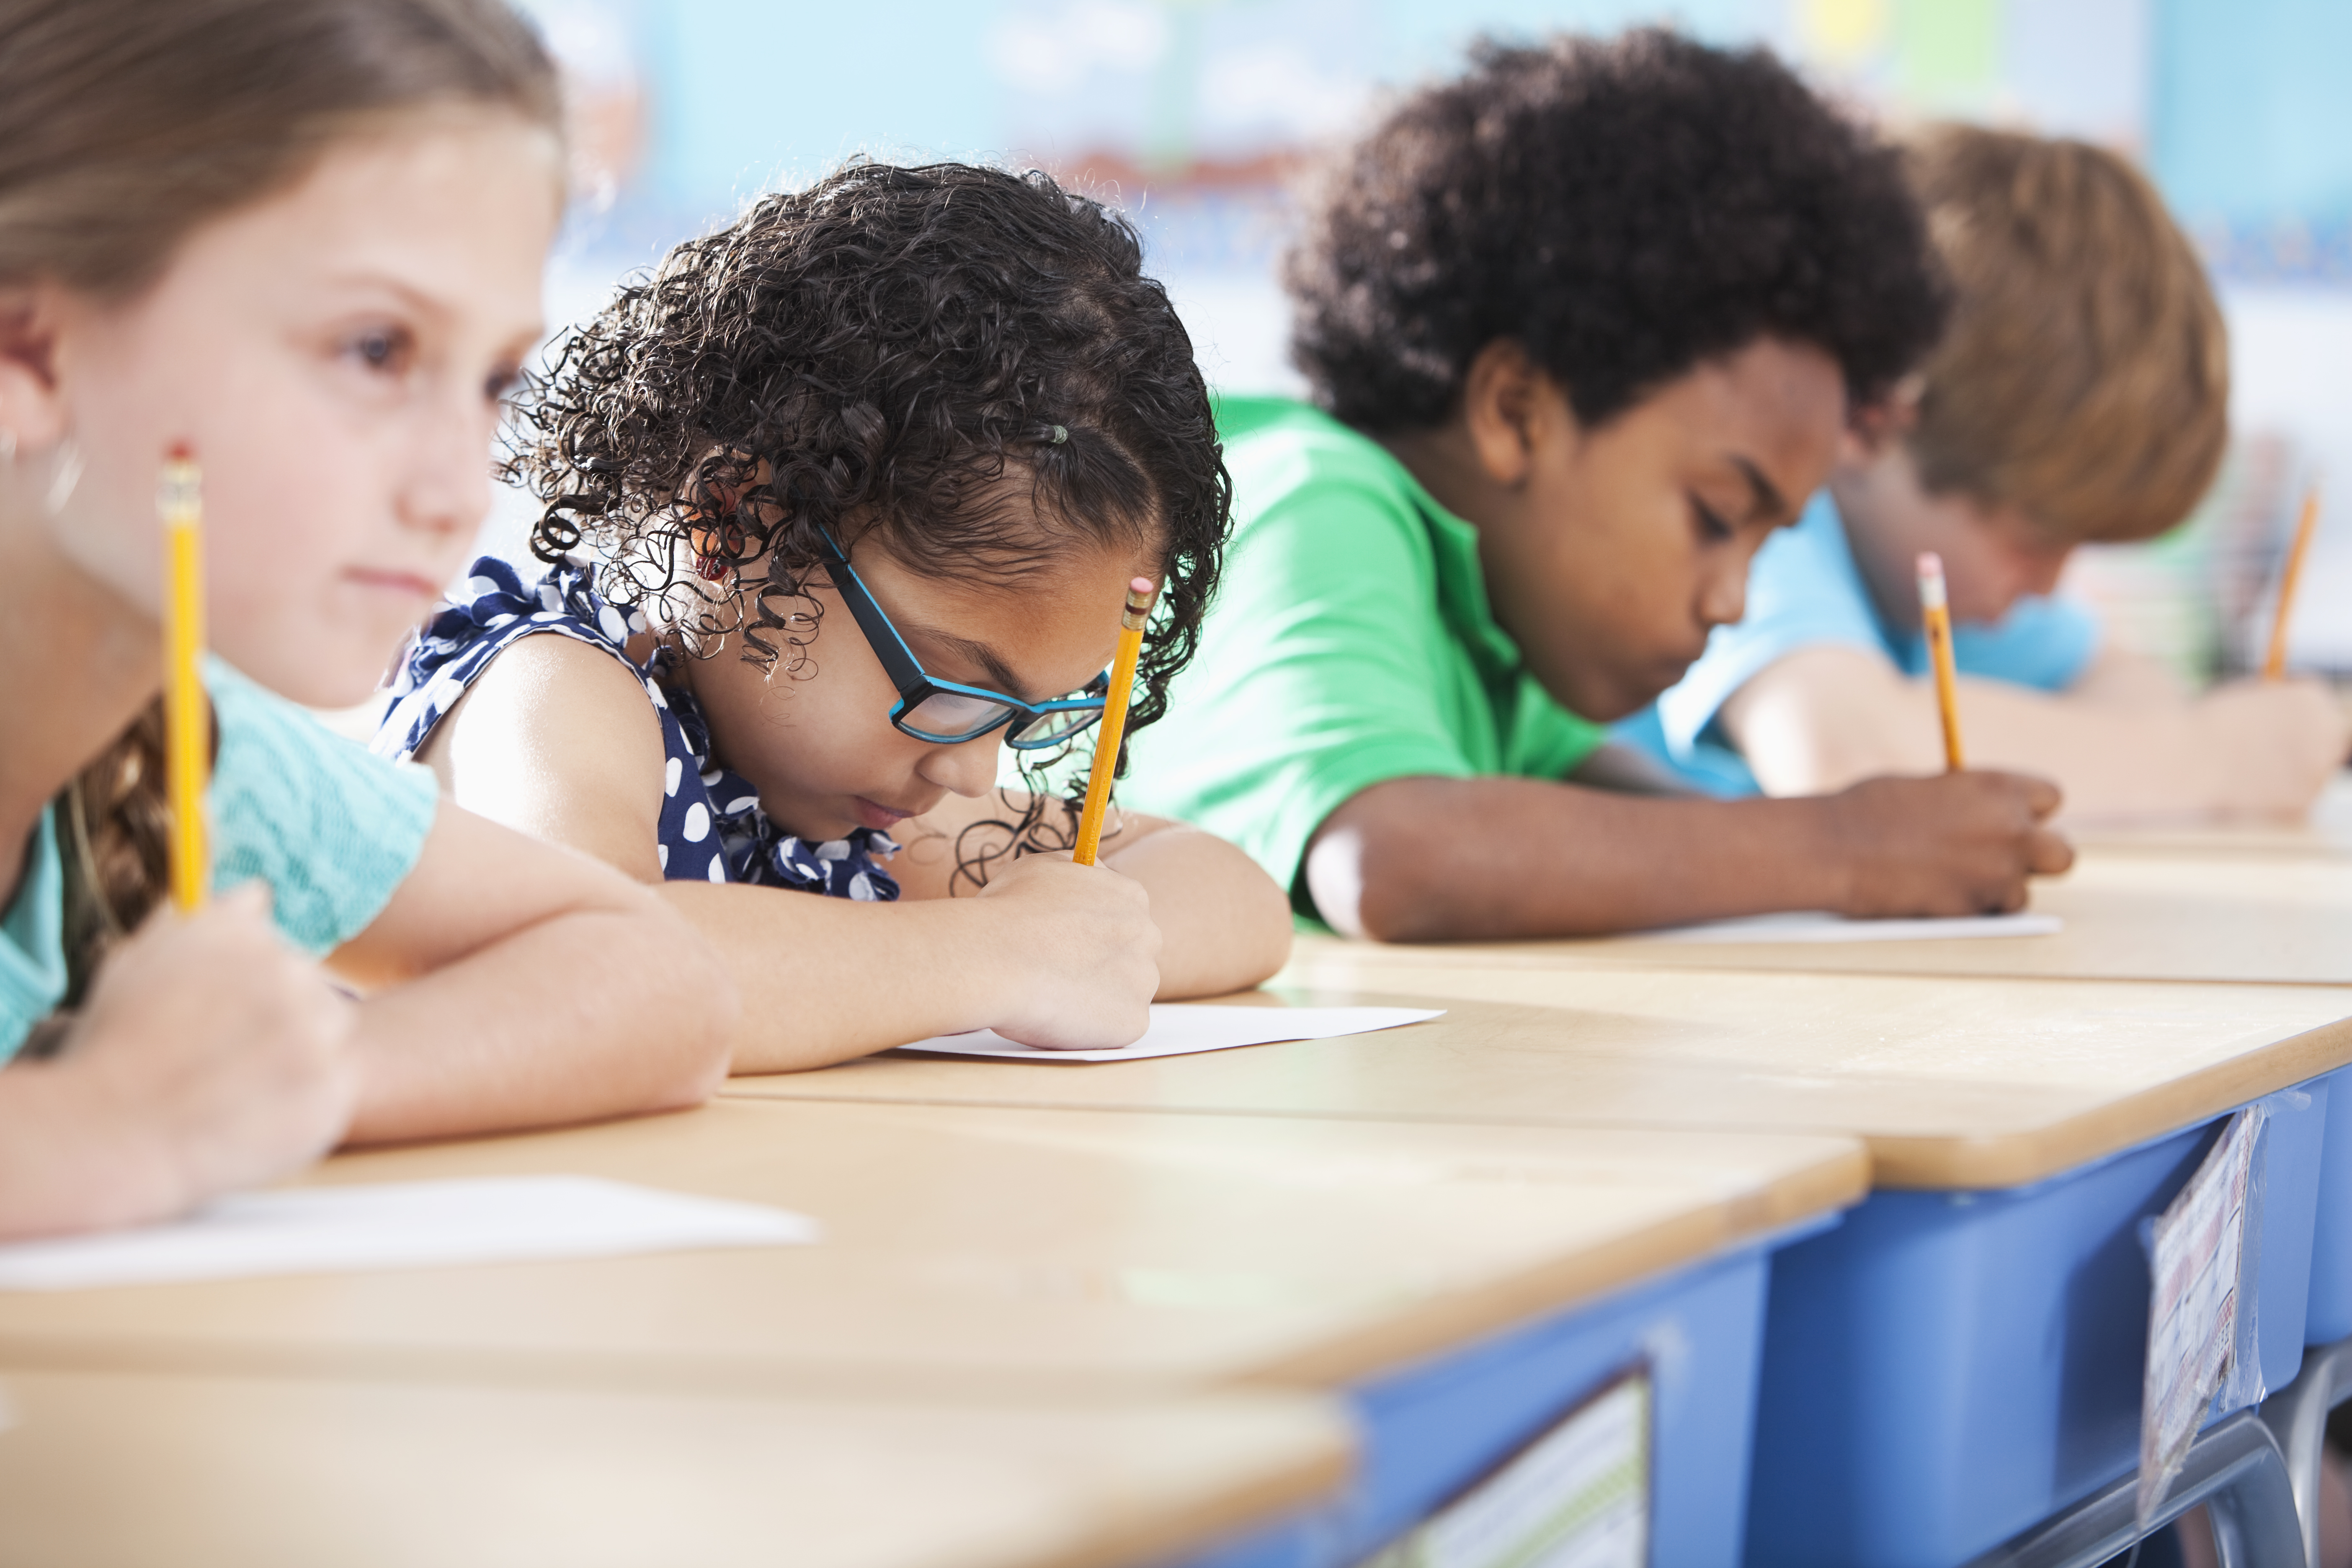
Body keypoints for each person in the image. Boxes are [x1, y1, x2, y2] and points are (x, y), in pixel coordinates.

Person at [0, 0, 737, 1238]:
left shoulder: (173, 751)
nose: (456, 488)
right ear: (30, 347)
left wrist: (264, 1089)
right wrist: (106, 1126)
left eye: (495, 378)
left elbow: (655, 978)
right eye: (375, 349)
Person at [1117, 31, 2073, 943]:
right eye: (1717, 517)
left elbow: (1616, 818)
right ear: (1517, 410)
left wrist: (1906, 843)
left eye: (1766, 543)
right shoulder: (1319, 499)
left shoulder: (1487, 624)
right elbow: (1397, 858)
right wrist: (1848, 849)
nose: (1731, 599)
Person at [374, 160, 1294, 1072]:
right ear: (732, 521)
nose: (973, 772)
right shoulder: (554, 689)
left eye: (1021, 717)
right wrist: (998, 953)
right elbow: (577, 965)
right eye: (955, 686)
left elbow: (1235, 894)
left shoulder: (826, 794)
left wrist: (1065, 938)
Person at [1620, 124, 2349, 820]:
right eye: (2032, 541)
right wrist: (2210, 760)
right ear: (1874, 425)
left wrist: (2173, 748)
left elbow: (2134, 690)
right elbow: (1839, 754)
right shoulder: (1768, 519)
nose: (2045, 586)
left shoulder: (1920, 578)